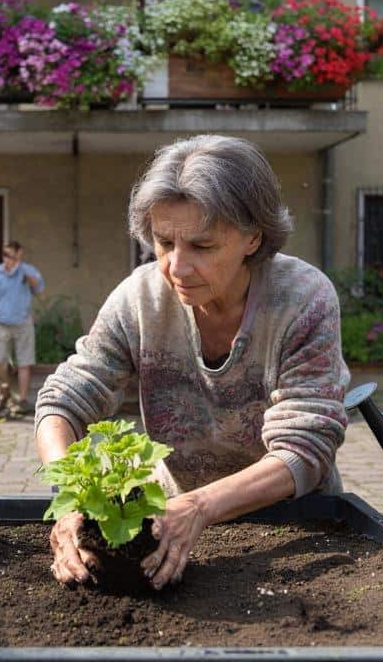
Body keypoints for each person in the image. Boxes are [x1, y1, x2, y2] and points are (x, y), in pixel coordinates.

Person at [35, 135, 349, 591]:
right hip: (171, 518)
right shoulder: (139, 299)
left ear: (253, 237)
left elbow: (306, 449)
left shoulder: (303, 300)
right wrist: (69, 500)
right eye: (163, 243)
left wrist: (201, 507)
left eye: (202, 247)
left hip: (295, 523)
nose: (176, 268)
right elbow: (62, 401)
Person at [0, 240, 45, 416]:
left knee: (24, 363)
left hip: (22, 323)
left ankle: (22, 400)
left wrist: (23, 270)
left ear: (19, 254)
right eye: (5, 254)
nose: (7, 258)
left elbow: (39, 288)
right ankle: (4, 397)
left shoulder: (28, 271)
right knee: (0, 364)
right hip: (1, 324)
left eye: (11, 255)